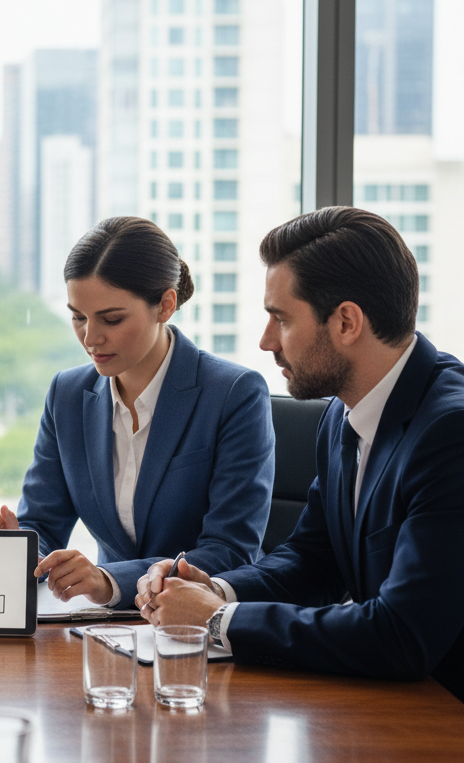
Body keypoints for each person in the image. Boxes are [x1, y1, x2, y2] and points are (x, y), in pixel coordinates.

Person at [137, 207, 464, 700]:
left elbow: (402, 635)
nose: (265, 340)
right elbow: (314, 559)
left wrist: (218, 619)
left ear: (347, 322)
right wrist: (216, 590)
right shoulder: (342, 414)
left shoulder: (450, 433)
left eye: (281, 318)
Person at [0, 216, 274, 607]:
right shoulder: (68, 394)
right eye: (78, 317)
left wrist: (110, 580)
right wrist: (16, 546)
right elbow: (42, 524)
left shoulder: (233, 394)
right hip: (103, 626)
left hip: (199, 622)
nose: (90, 338)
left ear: (165, 305)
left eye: (112, 319)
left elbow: (231, 551)